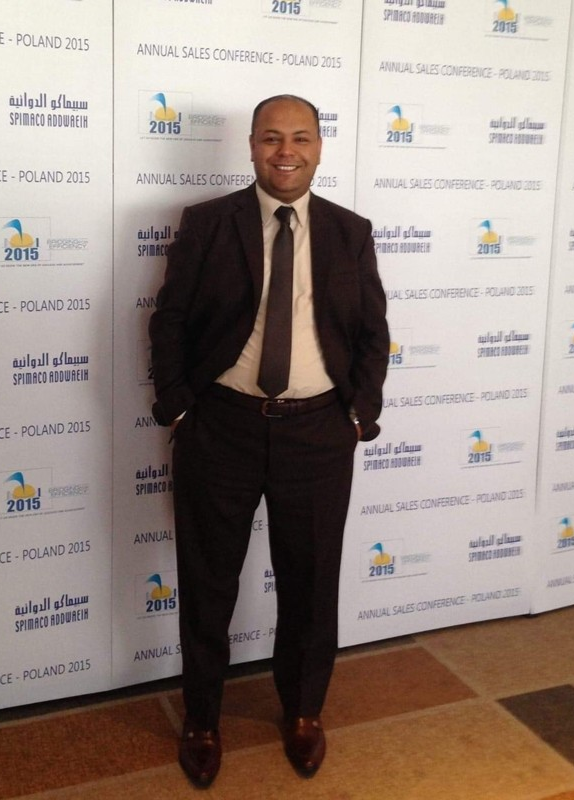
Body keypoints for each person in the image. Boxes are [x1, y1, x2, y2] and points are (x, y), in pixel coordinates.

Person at [149, 94, 389, 787]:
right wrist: (179, 409)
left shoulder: (350, 231)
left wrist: (359, 415)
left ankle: (304, 714)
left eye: (301, 138)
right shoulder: (207, 223)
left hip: (317, 433)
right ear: (252, 146)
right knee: (207, 584)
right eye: (272, 138)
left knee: (311, 586)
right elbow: (170, 321)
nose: (287, 152)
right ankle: (201, 721)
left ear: (320, 147)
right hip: (220, 427)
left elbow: (372, 332)